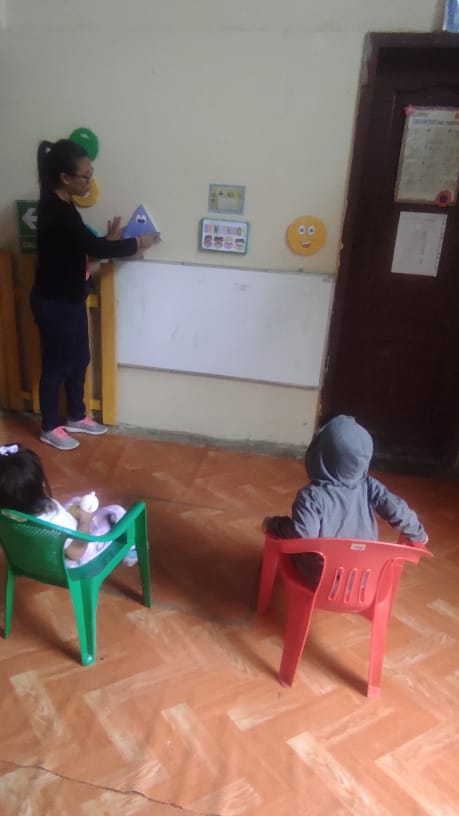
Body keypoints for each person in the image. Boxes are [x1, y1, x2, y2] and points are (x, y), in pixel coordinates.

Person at [31, 138, 161, 451]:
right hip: (54, 303)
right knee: (57, 365)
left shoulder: (65, 205)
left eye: (91, 173)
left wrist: (108, 240)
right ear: (65, 178)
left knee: (80, 359)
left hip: (70, 299)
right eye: (85, 176)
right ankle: (49, 427)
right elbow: (91, 246)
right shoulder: (55, 211)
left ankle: (76, 415)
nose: (90, 180)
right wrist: (137, 243)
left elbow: (79, 248)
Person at [262, 415, 428, 588]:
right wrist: (418, 534)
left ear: (319, 455)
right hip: (365, 579)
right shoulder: (369, 485)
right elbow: (397, 509)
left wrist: (278, 525)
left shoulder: (311, 496)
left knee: (288, 542)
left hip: (322, 581)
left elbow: (302, 536)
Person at [0, 443, 136, 568]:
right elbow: (76, 553)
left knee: (76, 501)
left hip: (30, 557)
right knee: (116, 512)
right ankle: (131, 552)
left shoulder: (5, 513)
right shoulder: (57, 521)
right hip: (67, 563)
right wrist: (85, 522)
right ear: (38, 486)